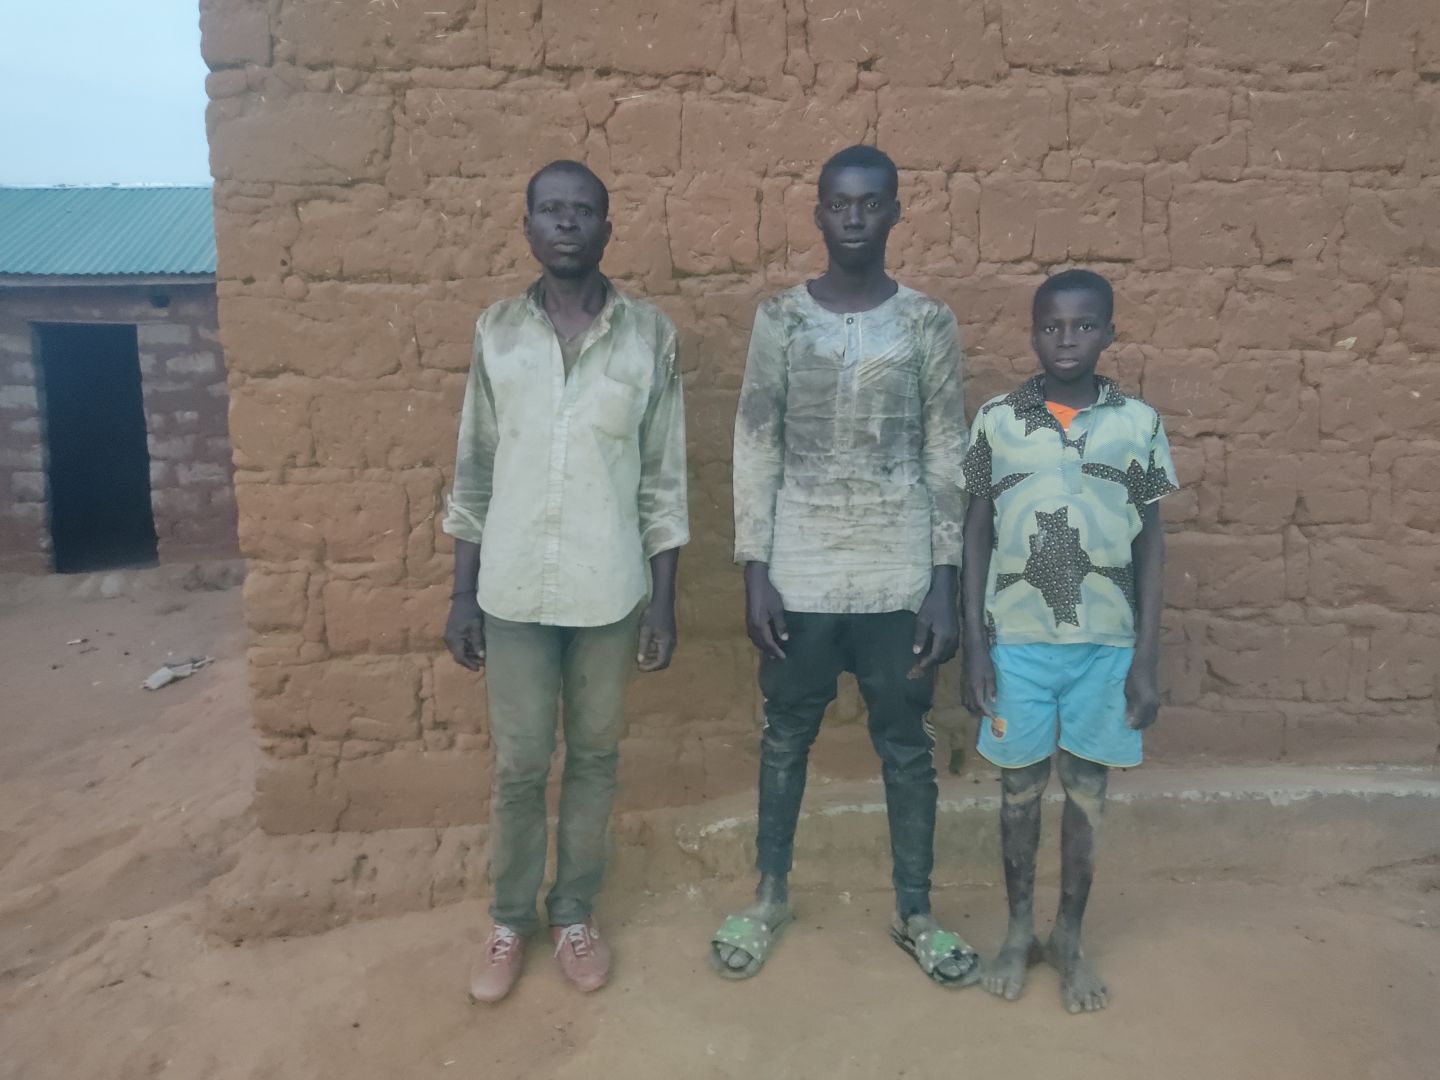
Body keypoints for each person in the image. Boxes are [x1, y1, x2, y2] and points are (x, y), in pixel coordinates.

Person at [709, 145, 978, 986]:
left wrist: (944, 582)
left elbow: (947, 450)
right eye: (839, 203)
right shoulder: (782, 321)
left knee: (906, 742)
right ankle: (769, 896)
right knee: (787, 732)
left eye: (871, 203)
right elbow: (756, 443)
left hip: (898, 570)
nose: (854, 217)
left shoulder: (927, 323)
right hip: (803, 567)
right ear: (818, 214)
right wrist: (756, 568)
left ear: (896, 212)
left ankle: (916, 911)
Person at [442, 160, 689, 1002]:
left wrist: (662, 600)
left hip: (608, 592)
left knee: (593, 757)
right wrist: (461, 593)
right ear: (528, 229)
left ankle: (575, 911)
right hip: (511, 590)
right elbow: (474, 470)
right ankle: (511, 919)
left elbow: (664, 480)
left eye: (583, 211)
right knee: (519, 765)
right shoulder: (497, 334)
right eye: (551, 210)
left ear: (607, 230)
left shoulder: (649, 337)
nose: (568, 223)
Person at [960, 268, 1177, 1013]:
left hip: (1105, 647)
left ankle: (1070, 939)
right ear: (1032, 334)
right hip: (1017, 643)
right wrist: (975, 646)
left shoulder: (1137, 423)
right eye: (1051, 326)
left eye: (1084, 326)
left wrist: (1145, 659)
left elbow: (1151, 544)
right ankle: (1020, 931)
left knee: (1086, 794)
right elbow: (976, 533)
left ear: (1109, 333)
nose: (1066, 339)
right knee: (1018, 793)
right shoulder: (996, 420)